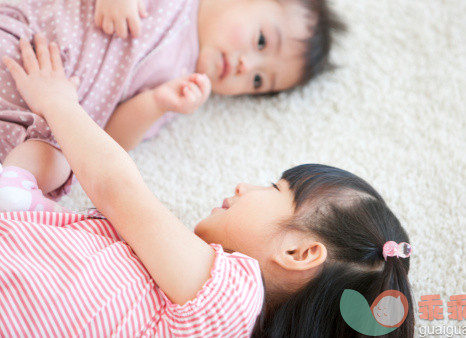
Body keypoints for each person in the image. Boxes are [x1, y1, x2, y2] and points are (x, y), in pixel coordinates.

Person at [0, 38, 414, 337]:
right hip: (37, 265)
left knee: (46, 158)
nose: (244, 186)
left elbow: (118, 189)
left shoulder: (232, 299)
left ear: (298, 253)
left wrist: (57, 103)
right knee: (43, 163)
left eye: (274, 188)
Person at [0, 0, 346, 207]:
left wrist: (155, 103)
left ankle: (11, 189)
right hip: (29, 41)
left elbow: (112, 140)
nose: (247, 66)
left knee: (57, 166)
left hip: (45, 123)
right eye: (261, 41)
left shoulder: (181, 87)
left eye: (258, 81)